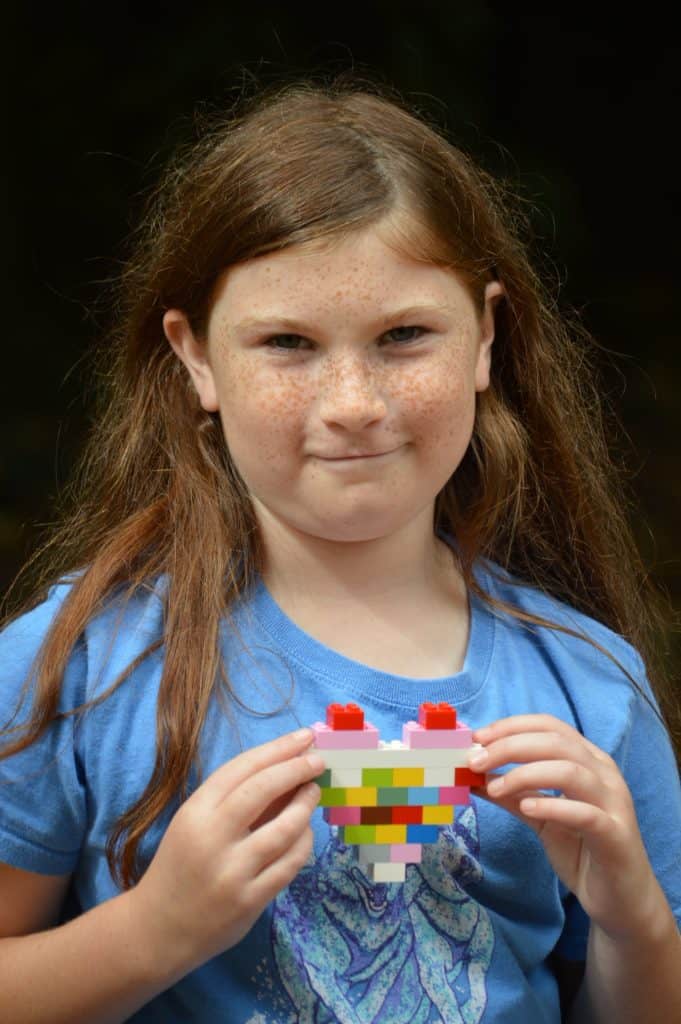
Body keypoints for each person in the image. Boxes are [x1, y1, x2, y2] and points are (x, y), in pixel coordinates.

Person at [0, 73, 679, 1024]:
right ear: (196, 358)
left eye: (404, 336)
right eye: (287, 342)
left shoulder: (589, 687)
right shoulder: (78, 666)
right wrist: (156, 930)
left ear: (484, 338)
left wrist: (633, 923)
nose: (352, 403)